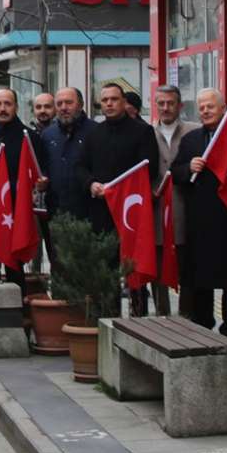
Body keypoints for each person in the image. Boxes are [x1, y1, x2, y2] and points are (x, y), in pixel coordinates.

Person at [171, 88, 227, 338]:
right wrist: (189, 167)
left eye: (210, 106)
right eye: (201, 107)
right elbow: (175, 173)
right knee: (201, 279)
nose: (205, 111)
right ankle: (204, 325)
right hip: (199, 219)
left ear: (222, 108)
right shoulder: (191, 140)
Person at [77, 83, 160, 316]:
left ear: (124, 102)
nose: (109, 104)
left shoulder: (142, 132)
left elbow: (149, 168)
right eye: (105, 100)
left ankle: (138, 320)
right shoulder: (94, 134)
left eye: (114, 99)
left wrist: (120, 187)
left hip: (130, 212)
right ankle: (108, 320)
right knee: (106, 270)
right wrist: (91, 184)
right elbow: (81, 167)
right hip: (102, 212)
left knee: (135, 266)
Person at [0, 89, 47, 296]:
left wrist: (41, 181)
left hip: (16, 211)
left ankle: (20, 314)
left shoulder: (29, 137)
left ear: (16, 106)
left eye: (7, 104)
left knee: (15, 264)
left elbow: (39, 170)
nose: (3, 108)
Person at [152, 85, 199, 318]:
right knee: (159, 272)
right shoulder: (147, 133)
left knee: (187, 271)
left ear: (179, 105)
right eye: (161, 103)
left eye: (170, 103)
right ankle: (162, 317)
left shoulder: (194, 132)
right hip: (157, 214)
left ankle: (187, 318)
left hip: (187, 211)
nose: (165, 107)